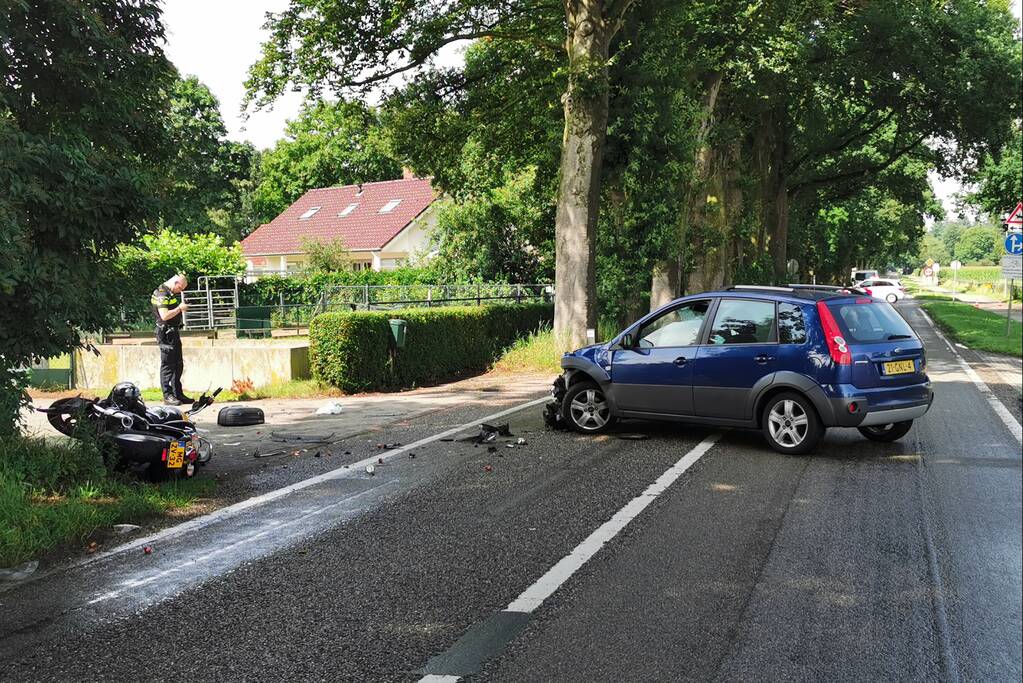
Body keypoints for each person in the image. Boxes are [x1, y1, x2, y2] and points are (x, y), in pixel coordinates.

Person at [151, 273, 191, 406]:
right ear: (176, 282)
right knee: (168, 365)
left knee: (178, 364)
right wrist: (179, 308)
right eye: (181, 288)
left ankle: (177, 393)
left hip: (173, 332)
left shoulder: (169, 293)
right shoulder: (162, 294)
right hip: (166, 334)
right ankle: (168, 396)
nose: (181, 291)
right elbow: (164, 316)